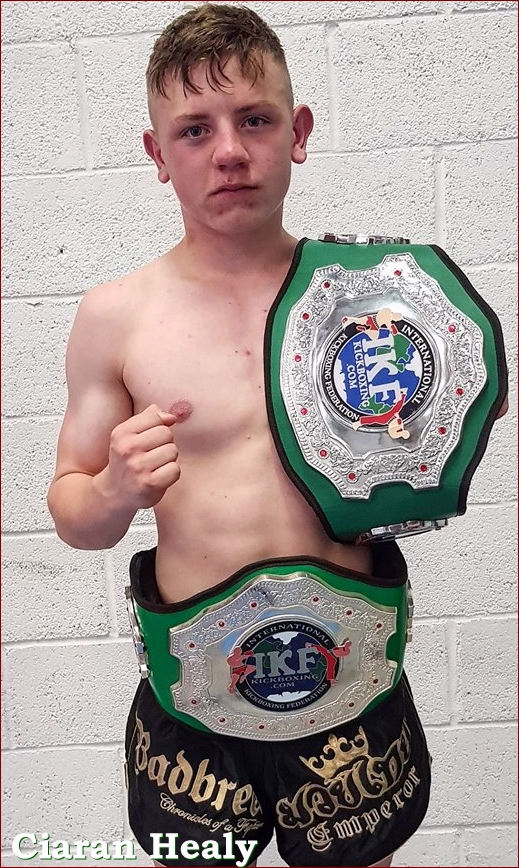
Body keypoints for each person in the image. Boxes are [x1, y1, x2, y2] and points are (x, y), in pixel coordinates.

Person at [47, 4, 508, 867]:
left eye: (254, 119)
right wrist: (111, 490)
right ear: (157, 154)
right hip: (196, 692)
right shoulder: (116, 316)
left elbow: (441, 444)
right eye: (194, 129)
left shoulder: (379, 304)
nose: (228, 150)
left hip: (351, 688)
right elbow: (73, 513)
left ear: (296, 133)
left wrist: (451, 415)